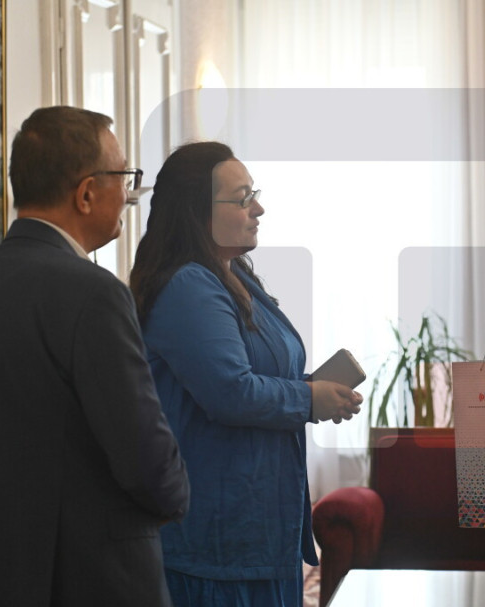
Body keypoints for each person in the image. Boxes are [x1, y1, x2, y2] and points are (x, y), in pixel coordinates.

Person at [0, 106, 190, 606]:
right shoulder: (95, 294)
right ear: (87, 193)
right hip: (91, 580)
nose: (129, 192)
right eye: (124, 176)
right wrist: (177, 498)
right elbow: (146, 459)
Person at [129, 141, 363, 606]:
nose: (258, 208)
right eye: (242, 199)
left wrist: (314, 391)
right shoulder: (188, 286)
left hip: (258, 531)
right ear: (197, 211)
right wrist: (308, 399)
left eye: (254, 194)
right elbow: (230, 392)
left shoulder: (235, 274)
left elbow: (258, 374)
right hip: (219, 545)